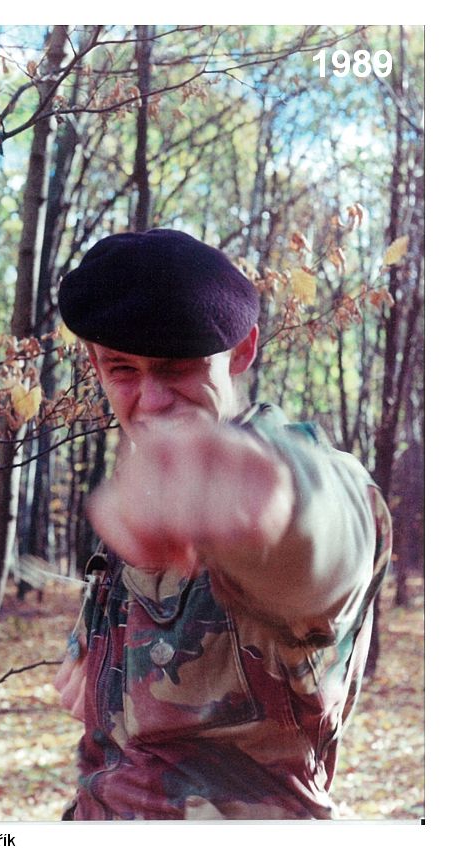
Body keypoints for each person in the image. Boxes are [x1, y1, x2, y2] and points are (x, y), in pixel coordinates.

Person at [54, 228, 392, 820]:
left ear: (242, 351)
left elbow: (330, 538)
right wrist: (97, 675)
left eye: (178, 367)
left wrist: (279, 499)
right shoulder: (140, 498)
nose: (152, 400)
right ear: (95, 364)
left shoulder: (291, 482)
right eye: (122, 369)